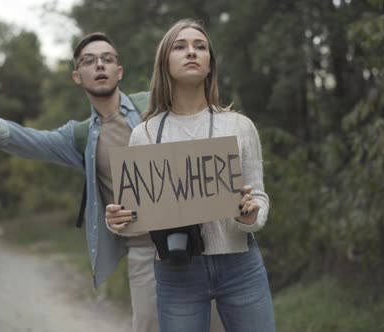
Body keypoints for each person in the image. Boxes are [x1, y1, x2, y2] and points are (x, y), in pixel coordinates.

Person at [0, 32, 224, 332]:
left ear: (119, 71)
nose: (99, 65)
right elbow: (23, 139)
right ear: (77, 75)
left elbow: (202, 118)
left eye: (107, 59)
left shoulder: (154, 102)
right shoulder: (80, 136)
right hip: (145, 255)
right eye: (89, 61)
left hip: (200, 244)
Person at [105, 19, 276, 332]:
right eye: (180, 46)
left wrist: (250, 216)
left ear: (210, 64)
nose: (191, 52)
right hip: (176, 271)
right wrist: (119, 222)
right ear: (165, 62)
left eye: (200, 47)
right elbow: (137, 216)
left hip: (240, 265)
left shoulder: (239, 126)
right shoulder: (145, 134)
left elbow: (260, 198)